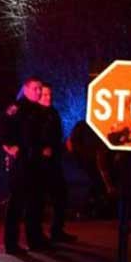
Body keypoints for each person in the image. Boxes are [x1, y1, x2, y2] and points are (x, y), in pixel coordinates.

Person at [0, 77, 50, 254]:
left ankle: (35, 240)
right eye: (35, 88)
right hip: (21, 162)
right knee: (17, 203)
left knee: (35, 202)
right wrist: (9, 146)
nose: (38, 92)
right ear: (25, 89)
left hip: (35, 162)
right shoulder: (17, 107)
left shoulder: (39, 110)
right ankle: (11, 244)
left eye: (40, 88)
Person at [37, 83, 76, 242]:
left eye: (50, 95)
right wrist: (41, 149)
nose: (48, 98)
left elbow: (56, 134)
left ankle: (57, 230)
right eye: (45, 95)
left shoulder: (53, 113)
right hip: (39, 163)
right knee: (39, 199)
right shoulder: (35, 114)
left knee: (60, 195)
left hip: (54, 161)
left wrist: (62, 147)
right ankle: (37, 234)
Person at [67, 120, 117, 218]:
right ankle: (92, 208)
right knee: (94, 185)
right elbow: (71, 143)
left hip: (93, 161)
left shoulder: (89, 126)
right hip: (86, 161)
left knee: (97, 185)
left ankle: (99, 208)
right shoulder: (84, 126)